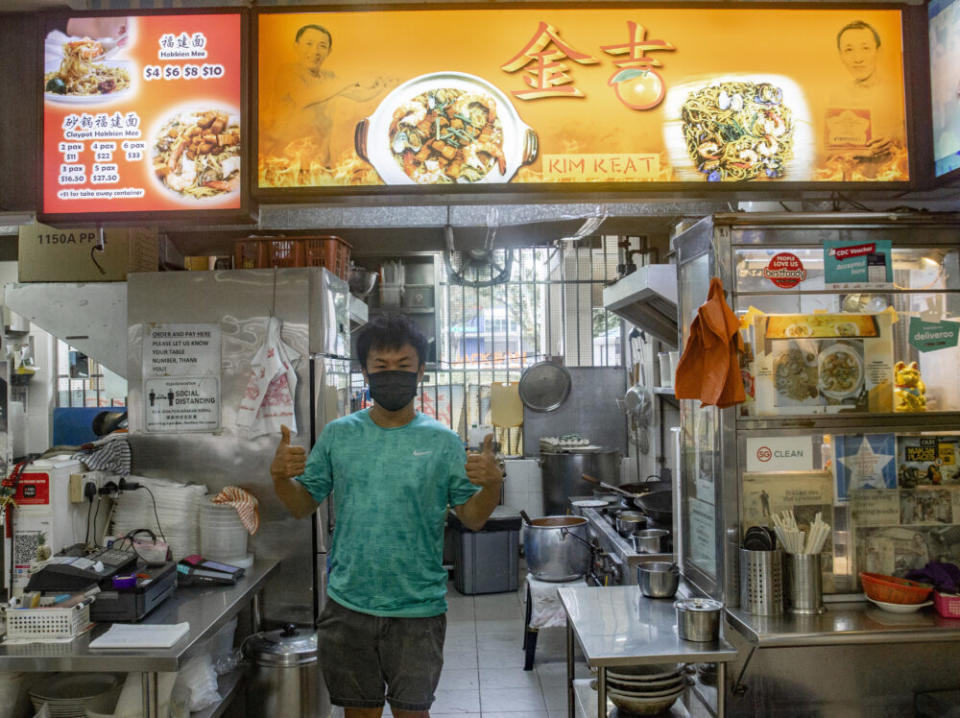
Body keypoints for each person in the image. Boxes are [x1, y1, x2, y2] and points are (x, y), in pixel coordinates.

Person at [270, 313, 504, 718]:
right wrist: (278, 478)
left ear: (421, 372)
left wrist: (493, 486)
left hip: (418, 609)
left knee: (413, 713)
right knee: (359, 714)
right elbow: (301, 505)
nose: (391, 375)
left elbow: (472, 518)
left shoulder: (443, 441)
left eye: (403, 366)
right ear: (364, 372)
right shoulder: (338, 435)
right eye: (380, 367)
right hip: (349, 605)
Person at [262, 23, 389, 164]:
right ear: (296, 46)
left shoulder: (329, 77)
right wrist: (354, 78)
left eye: (322, 46)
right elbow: (304, 97)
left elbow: (360, 95)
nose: (315, 51)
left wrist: (380, 86)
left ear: (328, 51)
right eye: (309, 44)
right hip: (286, 162)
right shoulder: (287, 72)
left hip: (319, 161)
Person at [825, 20, 905, 168]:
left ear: (878, 51)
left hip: (894, 174)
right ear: (840, 55)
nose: (858, 59)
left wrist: (894, 139)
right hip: (853, 180)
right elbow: (827, 154)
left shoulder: (901, 90)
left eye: (865, 48)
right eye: (849, 50)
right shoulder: (835, 96)